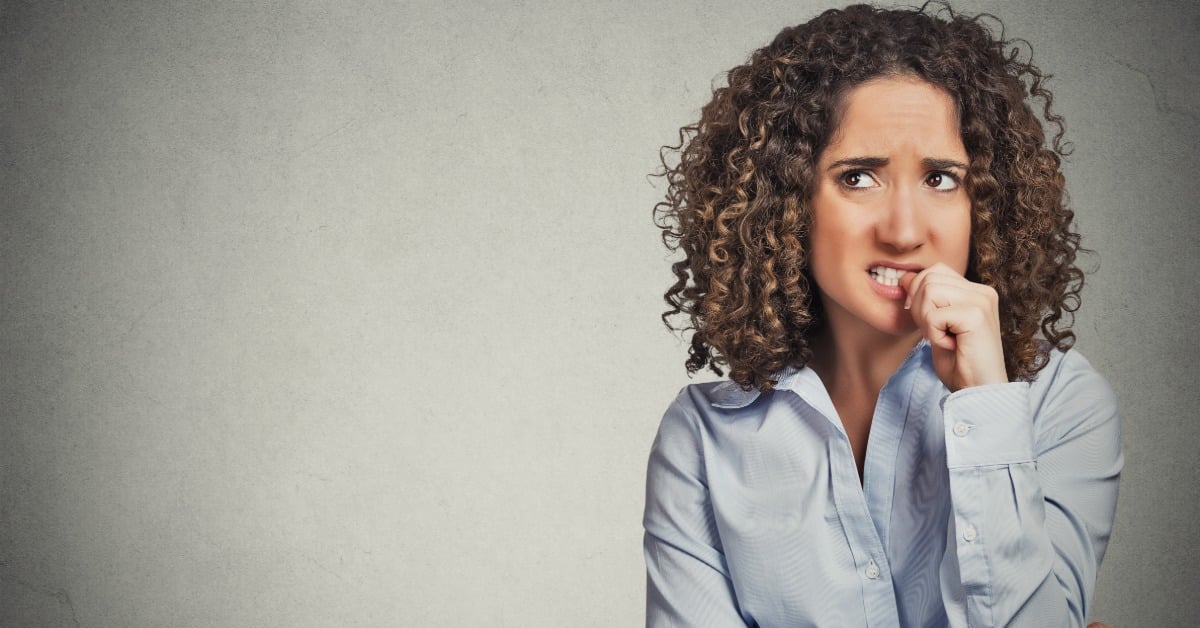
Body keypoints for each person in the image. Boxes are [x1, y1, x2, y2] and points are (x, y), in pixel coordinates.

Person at [644, 4, 1122, 627]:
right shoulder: (702, 440)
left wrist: (986, 406)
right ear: (786, 201)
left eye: (943, 179)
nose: (904, 231)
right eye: (860, 177)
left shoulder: (1060, 403)